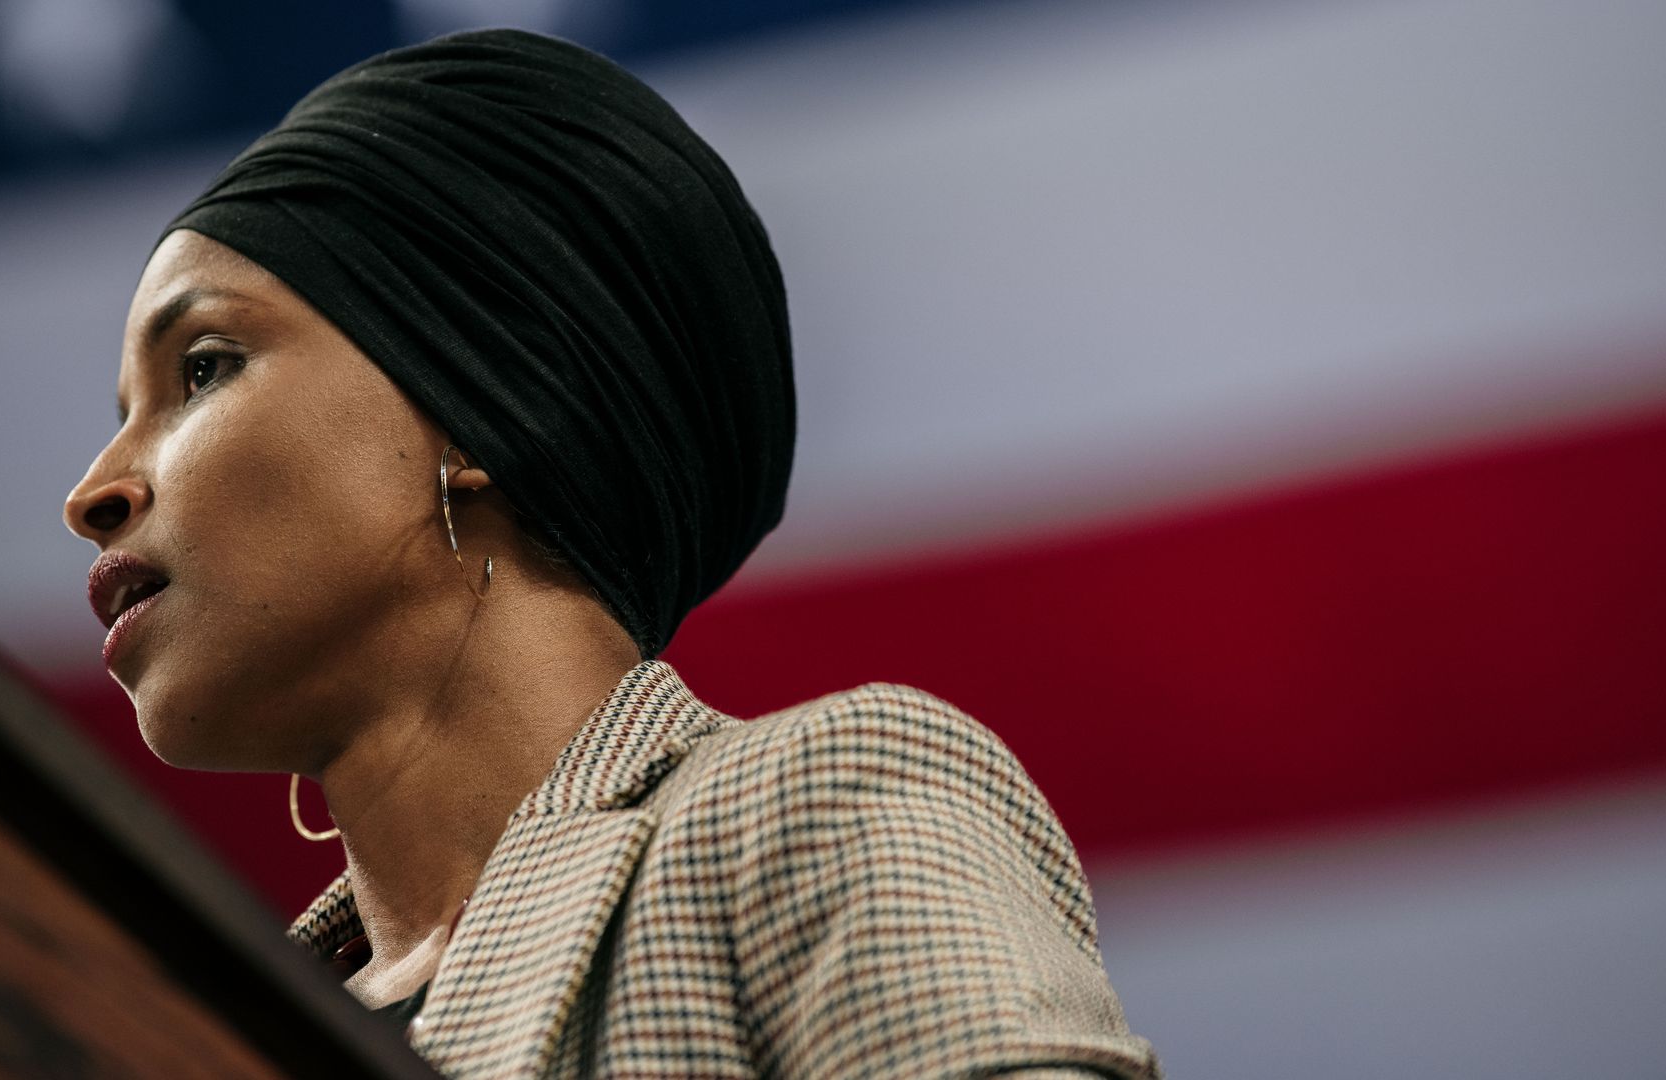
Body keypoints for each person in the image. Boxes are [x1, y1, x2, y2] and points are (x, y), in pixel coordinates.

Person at [63, 28, 1159, 1079]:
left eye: (203, 368)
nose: (92, 493)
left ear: (480, 404)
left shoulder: (813, 804)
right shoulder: (190, 1034)